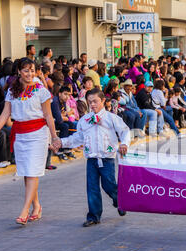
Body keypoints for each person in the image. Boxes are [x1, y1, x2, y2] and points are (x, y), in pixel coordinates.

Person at [0, 58, 59, 225]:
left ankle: (24, 210)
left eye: (32, 70)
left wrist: (54, 136)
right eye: (26, 70)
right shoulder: (12, 90)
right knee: (26, 172)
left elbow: (49, 115)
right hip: (20, 134)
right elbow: (6, 112)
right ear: (19, 72)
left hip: (38, 134)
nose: (30, 73)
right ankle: (36, 205)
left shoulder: (41, 91)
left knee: (33, 171)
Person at [55, 88, 130, 227]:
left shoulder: (111, 118)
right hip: (92, 159)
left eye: (95, 101)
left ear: (103, 101)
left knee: (108, 185)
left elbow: (125, 130)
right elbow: (78, 138)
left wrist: (124, 143)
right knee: (92, 187)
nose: (93, 104)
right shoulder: (85, 120)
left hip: (107, 158)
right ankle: (94, 216)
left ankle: (119, 200)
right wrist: (62, 142)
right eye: (90, 102)